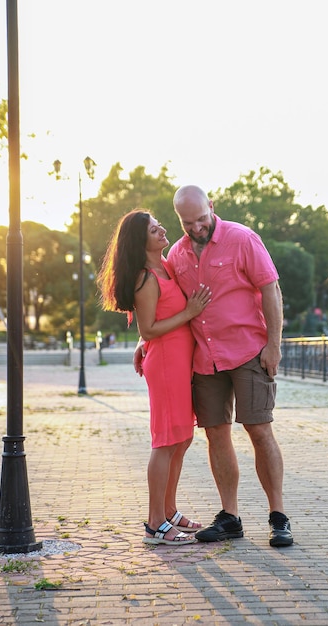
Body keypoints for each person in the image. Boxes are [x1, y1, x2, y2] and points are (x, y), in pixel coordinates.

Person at [135, 186, 293, 547]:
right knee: (216, 434)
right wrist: (144, 340)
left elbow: (271, 290)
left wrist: (274, 346)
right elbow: (162, 302)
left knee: (259, 430)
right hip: (205, 358)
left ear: (212, 207)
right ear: (179, 218)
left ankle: (278, 516)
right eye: (188, 222)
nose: (196, 228)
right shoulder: (176, 254)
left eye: (201, 220)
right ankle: (230, 517)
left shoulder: (243, 238)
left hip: (249, 351)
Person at [98, 209, 211, 546]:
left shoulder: (166, 266)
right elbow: (149, 327)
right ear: (140, 240)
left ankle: (170, 510)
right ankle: (154, 524)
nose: (162, 229)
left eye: (158, 225)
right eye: (153, 229)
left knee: (183, 438)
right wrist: (189, 313)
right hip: (165, 365)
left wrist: (141, 342)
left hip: (178, 362)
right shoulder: (146, 277)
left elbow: (149, 326)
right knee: (165, 441)